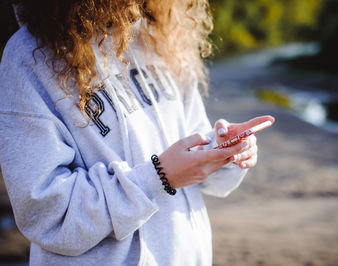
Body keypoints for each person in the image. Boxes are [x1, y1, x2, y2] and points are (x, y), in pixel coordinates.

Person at [0, 0, 274, 265]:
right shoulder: (29, 56)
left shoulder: (159, 35)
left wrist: (223, 151)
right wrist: (158, 177)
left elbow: (193, 143)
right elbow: (47, 214)